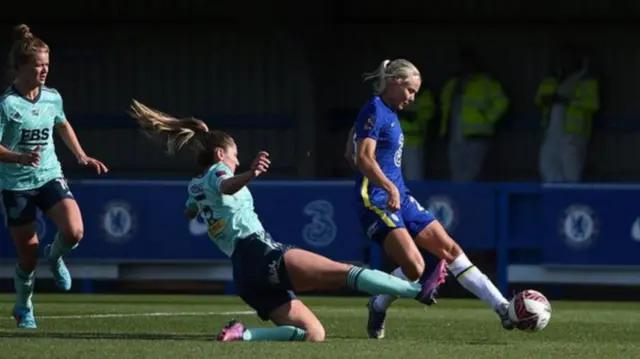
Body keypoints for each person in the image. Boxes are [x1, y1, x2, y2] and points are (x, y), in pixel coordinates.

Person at [128, 100, 447, 342]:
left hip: (244, 274)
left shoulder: (195, 186)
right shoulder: (218, 172)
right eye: (233, 153)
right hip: (258, 251)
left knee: (313, 333)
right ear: (219, 156)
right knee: (344, 273)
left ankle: (243, 335)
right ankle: (414, 289)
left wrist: (201, 210)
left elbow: (190, 210)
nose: (236, 158)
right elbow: (225, 183)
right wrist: (250, 173)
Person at [346, 58, 514, 339]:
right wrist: (387, 187)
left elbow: (350, 153)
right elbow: (363, 158)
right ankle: (397, 292)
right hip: (375, 199)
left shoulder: (386, 112)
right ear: (396, 82)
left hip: (399, 196)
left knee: (450, 249)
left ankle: (503, 308)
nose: (413, 98)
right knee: (414, 268)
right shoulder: (374, 109)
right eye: (411, 91)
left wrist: (391, 186)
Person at [0, 24, 109, 329]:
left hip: (49, 175)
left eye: (47, 64)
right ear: (21, 67)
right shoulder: (7, 105)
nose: (45, 70)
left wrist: (81, 155)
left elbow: (62, 124)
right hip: (15, 184)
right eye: (38, 65)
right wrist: (19, 157)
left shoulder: (52, 97)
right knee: (28, 253)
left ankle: (57, 256)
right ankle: (24, 306)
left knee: (74, 231)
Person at [537, 44, 599, 182]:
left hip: (573, 131)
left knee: (571, 168)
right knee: (547, 164)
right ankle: (555, 198)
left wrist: (566, 100)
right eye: (562, 58)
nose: (565, 61)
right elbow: (540, 98)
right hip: (552, 129)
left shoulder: (586, 80)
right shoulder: (551, 79)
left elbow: (592, 103)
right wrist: (553, 98)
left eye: (568, 58)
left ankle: (571, 199)